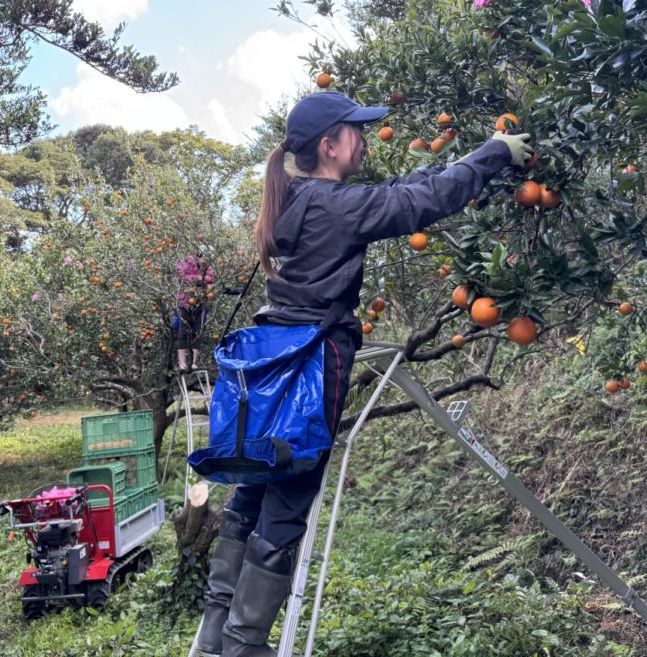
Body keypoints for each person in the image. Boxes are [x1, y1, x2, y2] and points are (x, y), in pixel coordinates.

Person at [196, 91, 534, 657]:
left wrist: (454, 163)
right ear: (330, 145)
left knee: (254, 487)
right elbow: (419, 202)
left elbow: (399, 193)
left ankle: (217, 629)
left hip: (269, 358)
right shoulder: (335, 206)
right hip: (308, 364)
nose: (361, 136)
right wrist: (493, 153)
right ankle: (245, 643)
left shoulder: (297, 198)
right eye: (354, 129)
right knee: (287, 502)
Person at [175, 251, 215, 371]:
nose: (206, 261)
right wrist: (198, 278)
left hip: (201, 303)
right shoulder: (186, 263)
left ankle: (194, 362)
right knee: (183, 332)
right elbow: (182, 277)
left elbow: (210, 279)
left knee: (197, 332)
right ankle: (182, 363)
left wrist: (200, 278)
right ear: (199, 256)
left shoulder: (208, 267)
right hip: (184, 302)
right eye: (204, 257)